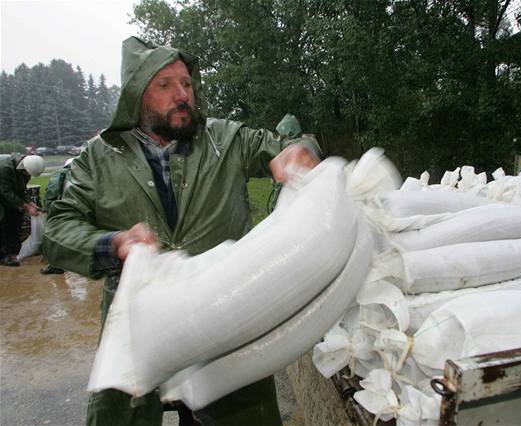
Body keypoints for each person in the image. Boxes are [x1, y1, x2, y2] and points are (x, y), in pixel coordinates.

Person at [42, 37, 320, 426]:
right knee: (131, 412)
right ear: (138, 95)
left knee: (233, 411)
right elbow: (57, 228)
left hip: (224, 319)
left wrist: (300, 150)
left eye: (187, 84)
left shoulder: (225, 139)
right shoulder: (98, 158)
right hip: (142, 324)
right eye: (165, 85)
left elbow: (286, 144)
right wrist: (113, 244)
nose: (182, 94)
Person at [0, 154, 44, 267]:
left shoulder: (25, 170)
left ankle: (14, 250)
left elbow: (22, 190)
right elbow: (6, 192)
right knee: (1, 219)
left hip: (5, 191)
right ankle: (2, 256)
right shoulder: (5, 168)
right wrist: (26, 206)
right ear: (23, 168)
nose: (28, 176)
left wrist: (30, 203)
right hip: (2, 190)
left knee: (16, 215)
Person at [40, 157, 74, 274]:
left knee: (55, 235)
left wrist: (47, 209)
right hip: (80, 209)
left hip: (63, 209)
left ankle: (56, 265)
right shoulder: (86, 173)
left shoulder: (60, 173)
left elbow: (52, 191)